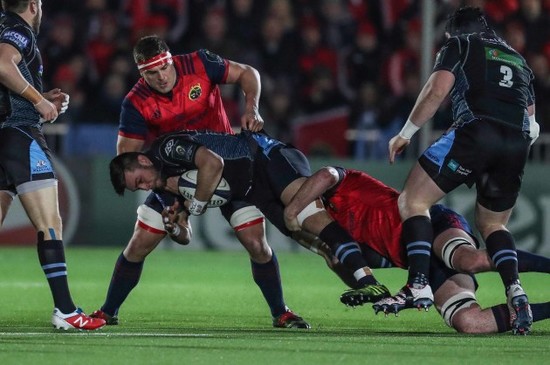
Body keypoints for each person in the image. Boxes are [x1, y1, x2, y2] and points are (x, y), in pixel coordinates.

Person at [92, 35, 312, 329]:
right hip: (172, 176)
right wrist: (163, 190)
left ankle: (280, 312)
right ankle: (108, 312)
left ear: (170, 59)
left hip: (227, 168)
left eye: (163, 69)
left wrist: (251, 107)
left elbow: (248, 73)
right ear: (140, 73)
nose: (160, 78)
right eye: (150, 74)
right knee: (139, 244)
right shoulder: (135, 102)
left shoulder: (199, 63)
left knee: (256, 243)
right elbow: (127, 157)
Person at [387, 7, 540, 334]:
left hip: (475, 132)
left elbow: (436, 90)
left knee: (413, 201)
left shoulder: (460, 43)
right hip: (517, 142)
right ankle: (516, 290)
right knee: (494, 224)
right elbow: (532, 121)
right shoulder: (518, 59)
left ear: (454, 31)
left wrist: (406, 134)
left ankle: (418, 283)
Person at [109, 130, 392, 307]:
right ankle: (383, 277)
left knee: (305, 215)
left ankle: (367, 280)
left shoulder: (165, 149)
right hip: (253, 191)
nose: (145, 188)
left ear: (143, 162)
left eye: (140, 181)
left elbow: (213, 163)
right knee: (322, 247)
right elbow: (186, 236)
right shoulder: (161, 187)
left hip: (265, 157)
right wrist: (175, 228)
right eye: (139, 188)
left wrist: (194, 206)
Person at [284, 166, 550, 334]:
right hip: (423, 266)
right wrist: (354, 279)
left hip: (431, 224)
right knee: (469, 323)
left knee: (468, 260)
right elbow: (368, 274)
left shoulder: (341, 185)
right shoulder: (341, 240)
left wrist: (292, 210)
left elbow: (325, 174)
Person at [0, 0, 105, 330]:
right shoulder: (19, 31)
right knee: (50, 222)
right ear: (34, 4)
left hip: (4, 135)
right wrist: (39, 100)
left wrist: (42, 97)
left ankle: (65, 308)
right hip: (19, 135)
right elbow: (3, 65)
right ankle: (65, 310)